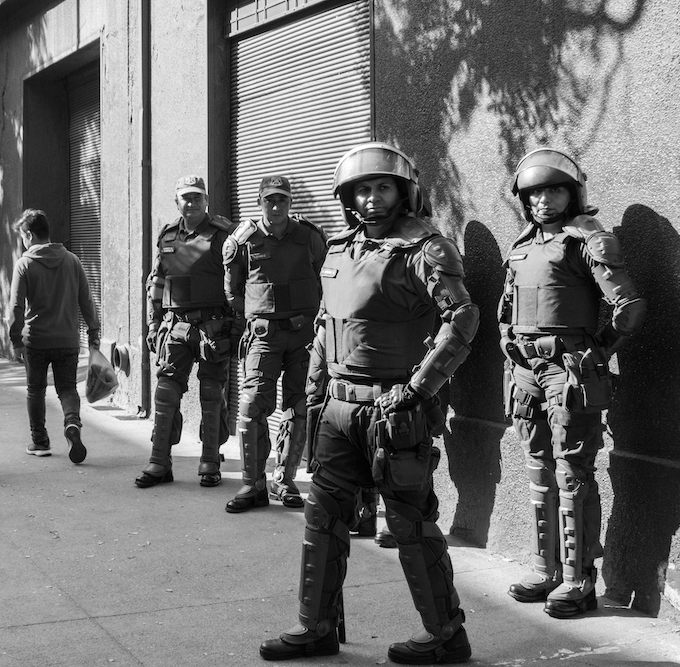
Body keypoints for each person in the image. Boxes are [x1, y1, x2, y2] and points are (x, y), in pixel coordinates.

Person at [259, 142, 479, 664]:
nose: (372, 198)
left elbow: (463, 320)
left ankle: (447, 635)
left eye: (383, 187)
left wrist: (419, 389)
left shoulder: (426, 249)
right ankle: (316, 627)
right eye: (362, 189)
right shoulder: (338, 249)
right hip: (337, 410)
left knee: (409, 524)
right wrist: (312, 396)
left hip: (393, 412)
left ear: (404, 193)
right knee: (322, 516)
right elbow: (325, 327)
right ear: (348, 198)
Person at [499, 149, 645, 618]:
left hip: (569, 370)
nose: (543, 200)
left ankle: (578, 581)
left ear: (573, 194)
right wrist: (509, 347)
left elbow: (629, 308)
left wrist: (596, 352)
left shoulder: (587, 239)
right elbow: (506, 308)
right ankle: (545, 570)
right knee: (538, 470)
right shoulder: (523, 244)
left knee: (572, 473)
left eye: (554, 190)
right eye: (534, 192)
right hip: (525, 370)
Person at [222, 176, 328, 513]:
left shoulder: (309, 237)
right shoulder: (244, 240)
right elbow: (232, 292)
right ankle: (253, 484)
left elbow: (327, 280)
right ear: (259, 202)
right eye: (270, 200)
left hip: (303, 337)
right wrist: (260, 315)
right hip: (263, 338)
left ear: (290, 203)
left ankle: (284, 479)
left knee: (299, 406)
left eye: (282, 199)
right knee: (252, 406)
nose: (276, 206)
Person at [135, 175, 237, 489]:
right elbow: (156, 282)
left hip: (213, 327)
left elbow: (238, 283)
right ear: (176, 202)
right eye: (185, 198)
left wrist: (237, 326)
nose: (191, 203)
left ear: (206, 200)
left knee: (211, 394)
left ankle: (210, 462)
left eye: (197, 197)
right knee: (165, 393)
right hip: (175, 326)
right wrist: (153, 323)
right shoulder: (167, 236)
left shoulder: (224, 234)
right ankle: (159, 462)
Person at [9, 209, 101, 464]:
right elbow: (86, 300)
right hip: (67, 339)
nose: (23, 242)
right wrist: (94, 331)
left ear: (29, 235)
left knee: (35, 389)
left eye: (22, 237)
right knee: (67, 388)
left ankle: (40, 441)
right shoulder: (72, 260)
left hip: (36, 340)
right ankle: (72, 423)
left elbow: (15, 307)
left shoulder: (25, 264)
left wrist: (15, 340)